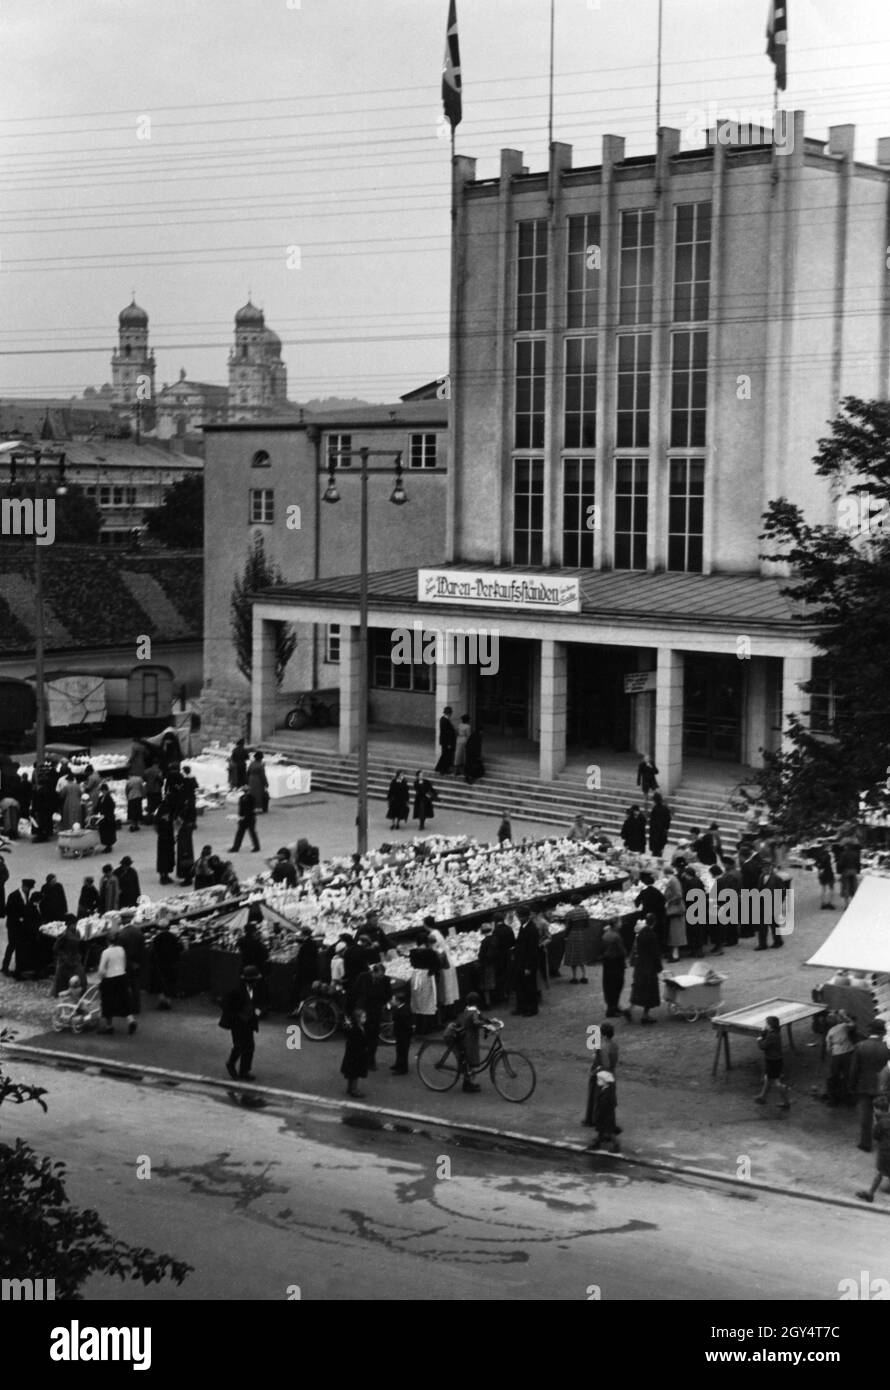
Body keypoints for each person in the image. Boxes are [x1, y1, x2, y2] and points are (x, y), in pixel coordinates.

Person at [851, 1022, 890, 1151]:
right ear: (882, 1033)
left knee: (865, 1116)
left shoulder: (860, 1046)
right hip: (882, 1087)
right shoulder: (886, 1048)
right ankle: (884, 1141)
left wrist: (852, 1086)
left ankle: (865, 1143)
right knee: (883, 1115)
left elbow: (854, 1069)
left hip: (864, 1086)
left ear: (870, 1031)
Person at [220, 964, 261, 1080]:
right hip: (238, 1023)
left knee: (249, 1046)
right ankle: (231, 1064)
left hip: (248, 1021)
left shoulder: (254, 989)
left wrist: (257, 1013)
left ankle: (244, 1071)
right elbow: (224, 1004)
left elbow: (256, 1004)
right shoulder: (236, 990)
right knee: (239, 1046)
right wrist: (236, 1015)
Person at [349, 961, 392, 1071]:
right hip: (363, 1011)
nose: (381, 978)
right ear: (373, 972)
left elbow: (388, 995)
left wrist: (381, 1003)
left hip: (375, 1012)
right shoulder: (363, 977)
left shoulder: (385, 980)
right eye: (379, 976)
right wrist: (351, 1010)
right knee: (361, 1037)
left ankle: (370, 1060)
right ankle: (360, 1059)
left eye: (382, 976)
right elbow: (354, 992)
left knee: (373, 1038)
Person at [97, 929, 138, 1035]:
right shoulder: (121, 949)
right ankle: (131, 1020)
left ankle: (109, 1026)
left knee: (108, 1003)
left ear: (107, 941)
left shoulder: (105, 952)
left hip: (110, 979)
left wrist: (102, 977)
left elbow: (101, 969)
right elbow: (124, 964)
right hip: (122, 977)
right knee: (124, 1000)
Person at [450, 992, 489, 1093]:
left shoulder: (467, 1009)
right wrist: (485, 1024)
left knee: (466, 1060)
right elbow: (477, 1021)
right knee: (470, 1060)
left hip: (464, 1036)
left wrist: (487, 1021)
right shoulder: (474, 1012)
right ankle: (467, 1084)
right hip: (470, 1039)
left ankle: (467, 1082)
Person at [628, 915, 662, 1024]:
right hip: (649, 967)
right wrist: (658, 967)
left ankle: (629, 1009)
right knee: (650, 992)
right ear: (654, 923)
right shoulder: (652, 936)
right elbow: (655, 954)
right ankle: (645, 1015)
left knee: (637, 989)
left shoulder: (640, 934)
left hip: (640, 965)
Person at [856, 1095, 890, 1204]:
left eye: (874, 1109)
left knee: (879, 1173)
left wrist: (875, 1123)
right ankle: (870, 1194)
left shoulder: (881, 1123)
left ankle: (870, 1194)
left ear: (878, 1110)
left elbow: (875, 1136)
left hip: (885, 1152)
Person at [425, 917, 459, 1020]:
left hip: (443, 965)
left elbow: (434, 950)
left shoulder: (433, 935)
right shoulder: (437, 933)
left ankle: (448, 1015)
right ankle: (451, 1013)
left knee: (445, 990)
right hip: (447, 962)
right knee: (449, 989)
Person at [755, 1015, 790, 1108]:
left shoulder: (772, 1036)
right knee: (768, 1077)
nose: (765, 1025)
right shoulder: (775, 1032)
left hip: (772, 1061)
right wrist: (763, 1031)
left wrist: (758, 1040)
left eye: (766, 1023)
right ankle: (762, 1096)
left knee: (776, 1083)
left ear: (770, 1025)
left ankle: (786, 1101)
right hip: (776, 1060)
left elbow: (762, 1046)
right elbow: (765, 1034)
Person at [823, 1011, 856, 1107]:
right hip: (847, 1054)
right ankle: (848, 1099)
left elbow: (828, 1049)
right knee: (847, 1076)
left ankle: (833, 1099)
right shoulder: (843, 1026)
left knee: (834, 1076)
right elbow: (853, 1025)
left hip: (836, 1056)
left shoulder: (829, 1033)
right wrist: (845, 1016)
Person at [408, 933, 439, 1034]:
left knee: (417, 1000)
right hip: (426, 977)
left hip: (416, 977)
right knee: (428, 1000)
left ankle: (418, 1026)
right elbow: (436, 965)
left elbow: (412, 964)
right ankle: (428, 1027)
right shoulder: (430, 952)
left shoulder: (412, 952)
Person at [512, 907, 540, 1017]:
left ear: (524, 917)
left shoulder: (531, 929)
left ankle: (532, 1009)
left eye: (519, 916)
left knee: (529, 987)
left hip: (527, 964)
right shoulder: (524, 927)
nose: (518, 919)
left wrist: (528, 967)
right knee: (521, 986)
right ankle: (521, 1007)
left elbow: (532, 950)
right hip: (521, 962)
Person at [286, 927, 320, 1017]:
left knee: (297, 992)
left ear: (303, 934)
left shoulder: (305, 945)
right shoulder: (313, 943)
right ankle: (305, 1011)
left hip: (303, 973)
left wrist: (296, 972)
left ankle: (296, 1010)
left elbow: (302, 961)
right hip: (311, 973)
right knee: (307, 992)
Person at [150, 915, 182, 1009]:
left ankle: (161, 1001)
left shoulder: (156, 939)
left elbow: (153, 952)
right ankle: (168, 1002)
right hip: (171, 964)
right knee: (169, 982)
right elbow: (178, 950)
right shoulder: (173, 937)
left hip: (159, 964)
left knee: (160, 983)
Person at [51, 916, 86, 997]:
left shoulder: (77, 932)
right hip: (65, 959)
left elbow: (78, 945)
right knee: (61, 979)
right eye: (74, 924)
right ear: (69, 925)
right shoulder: (64, 934)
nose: (75, 925)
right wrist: (63, 956)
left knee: (80, 975)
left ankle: (80, 992)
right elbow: (55, 948)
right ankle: (60, 993)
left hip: (75, 958)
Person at [754, 863, 786, 951]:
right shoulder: (761, 877)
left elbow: (782, 891)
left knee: (774, 925)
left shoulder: (776, 878)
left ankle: (778, 941)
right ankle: (762, 944)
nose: (765, 870)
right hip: (762, 904)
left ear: (770, 868)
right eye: (764, 868)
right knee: (762, 925)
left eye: (767, 868)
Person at [562, 893, 591, 984]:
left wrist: (565, 936)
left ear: (571, 903)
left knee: (573, 956)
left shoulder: (570, 914)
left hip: (573, 935)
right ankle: (584, 976)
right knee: (582, 955)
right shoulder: (585, 911)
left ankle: (574, 977)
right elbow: (587, 924)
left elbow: (568, 927)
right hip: (582, 934)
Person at [600, 921, 628, 1017]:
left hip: (607, 962)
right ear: (615, 924)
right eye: (619, 922)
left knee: (608, 985)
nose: (621, 923)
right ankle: (612, 1009)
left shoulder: (606, 934)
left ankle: (612, 1007)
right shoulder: (616, 936)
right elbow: (622, 951)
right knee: (616, 985)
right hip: (616, 962)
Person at [118, 917, 145, 1016]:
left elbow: (121, 952)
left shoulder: (121, 934)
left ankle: (126, 1007)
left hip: (126, 964)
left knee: (125, 986)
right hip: (137, 963)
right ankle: (136, 1007)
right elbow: (143, 949)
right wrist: (139, 963)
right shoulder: (138, 932)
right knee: (136, 985)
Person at [634, 873, 666, 953]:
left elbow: (636, 901)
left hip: (646, 913)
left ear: (644, 883)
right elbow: (663, 900)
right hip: (657, 914)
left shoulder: (644, 892)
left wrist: (639, 906)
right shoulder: (657, 891)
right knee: (657, 932)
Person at [341, 1009, 369, 1098]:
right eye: (363, 1017)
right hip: (357, 1055)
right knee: (355, 1074)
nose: (365, 1019)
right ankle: (354, 1090)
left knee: (351, 1073)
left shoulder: (353, 1028)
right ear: (358, 1019)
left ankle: (350, 1088)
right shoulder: (357, 1029)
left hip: (352, 1054)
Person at [663, 863, 685, 962]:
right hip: (675, 909)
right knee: (674, 932)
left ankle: (675, 955)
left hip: (675, 909)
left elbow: (679, 895)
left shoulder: (673, 881)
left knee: (675, 933)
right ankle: (674, 954)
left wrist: (669, 902)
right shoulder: (673, 880)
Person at [390, 985, 413, 1075]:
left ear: (398, 1001)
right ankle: (398, 1064)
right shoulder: (402, 1008)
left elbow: (404, 1023)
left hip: (403, 1035)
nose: (392, 1001)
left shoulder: (403, 1011)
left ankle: (402, 1069)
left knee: (403, 1051)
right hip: (401, 1034)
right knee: (399, 1050)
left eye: (393, 1000)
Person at [229, 787, 260, 853]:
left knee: (242, 833)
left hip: (248, 818)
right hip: (248, 818)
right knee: (250, 833)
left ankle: (236, 847)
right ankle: (256, 846)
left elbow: (243, 809)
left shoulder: (245, 798)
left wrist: (240, 817)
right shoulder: (250, 798)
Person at [155, 796, 176, 884]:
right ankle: (165, 876)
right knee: (166, 857)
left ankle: (163, 875)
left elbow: (156, 824)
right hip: (167, 837)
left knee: (163, 857)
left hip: (163, 838)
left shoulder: (160, 810)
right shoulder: (168, 810)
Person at [837, 841, 861, 907]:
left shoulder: (843, 854)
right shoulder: (856, 854)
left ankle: (846, 905)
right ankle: (853, 905)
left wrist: (840, 872)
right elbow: (858, 864)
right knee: (853, 888)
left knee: (846, 888)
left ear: (846, 847)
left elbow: (840, 864)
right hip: (853, 871)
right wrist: (858, 872)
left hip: (846, 871)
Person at [648, 792, 671, 857]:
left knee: (655, 852)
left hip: (655, 834)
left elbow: (652, 823)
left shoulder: (654, 810)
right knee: (660, 850)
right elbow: (668, 821)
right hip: (662, 833)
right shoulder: (665, 809)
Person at [435, 706, 456, 775]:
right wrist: (449, 743)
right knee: (446, 756)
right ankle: (443, 769)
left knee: (444, 755)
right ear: (449, 713)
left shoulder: (443, 719)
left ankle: (440, 768)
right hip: (447, 742)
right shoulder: (445, 720)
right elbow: (447, 733)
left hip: (444, 741)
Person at [96, 783, 117, 850]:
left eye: (104, 790)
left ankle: (109, 846)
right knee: (104, 832)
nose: (103, 792)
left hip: (108, 817)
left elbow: (112, 807)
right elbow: (97, 807)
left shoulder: (108, 798)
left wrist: (107, 813)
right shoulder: (101, 798)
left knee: (108, 832)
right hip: (103, 817)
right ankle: (106, 844)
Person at [176, 816, 196, 885]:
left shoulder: (185, 828)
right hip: (187, 849)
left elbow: (184, 839)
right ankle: (188, 878)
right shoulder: (187, 827)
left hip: (184, 849)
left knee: (185, 865)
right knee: (187, 864)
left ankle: (187, 879)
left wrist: (184, 851)